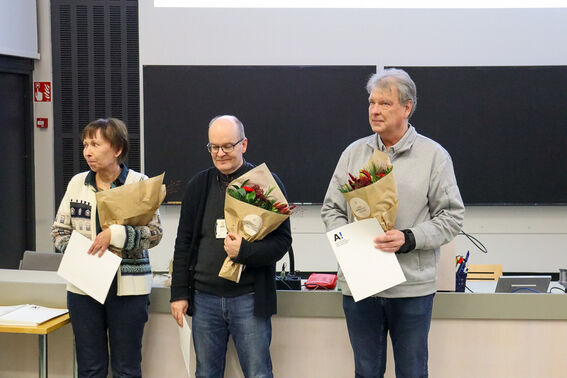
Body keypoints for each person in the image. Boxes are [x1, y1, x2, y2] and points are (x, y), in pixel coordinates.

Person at [321, 68, 465, 378]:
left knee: (412, 373)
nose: (374, 110)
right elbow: (331, 209)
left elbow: (452, 218)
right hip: (361, 287)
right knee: (366, 372)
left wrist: (409, 238)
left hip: (411, 289)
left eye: (385, 103)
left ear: (407, 107)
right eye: (372, 102)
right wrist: (351, 243)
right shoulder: (353, 154)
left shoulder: (433, 156)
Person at [170, 115, 292, 378]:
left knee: (258, 373)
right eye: (214, 147)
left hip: (249, 298)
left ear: (243, 144)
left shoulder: (265, 183)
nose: (220, 153)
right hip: (204, 299)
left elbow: (282, 242)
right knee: (206, 374)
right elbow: (183, 243)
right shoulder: (197, 185)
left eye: (227, 146)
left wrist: (245, 253)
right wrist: (179, 293)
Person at [51, 118, 163, 378]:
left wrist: (117, 234)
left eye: (95, 144)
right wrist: (80, 252)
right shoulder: (78, 183)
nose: (87, 151)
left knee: (126, 368)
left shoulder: (139, 183)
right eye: (85, 144)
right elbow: (58, 232)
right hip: (83, 286)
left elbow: (155, 235)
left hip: (128, 287)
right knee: (90, 368)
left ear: (117, 149)